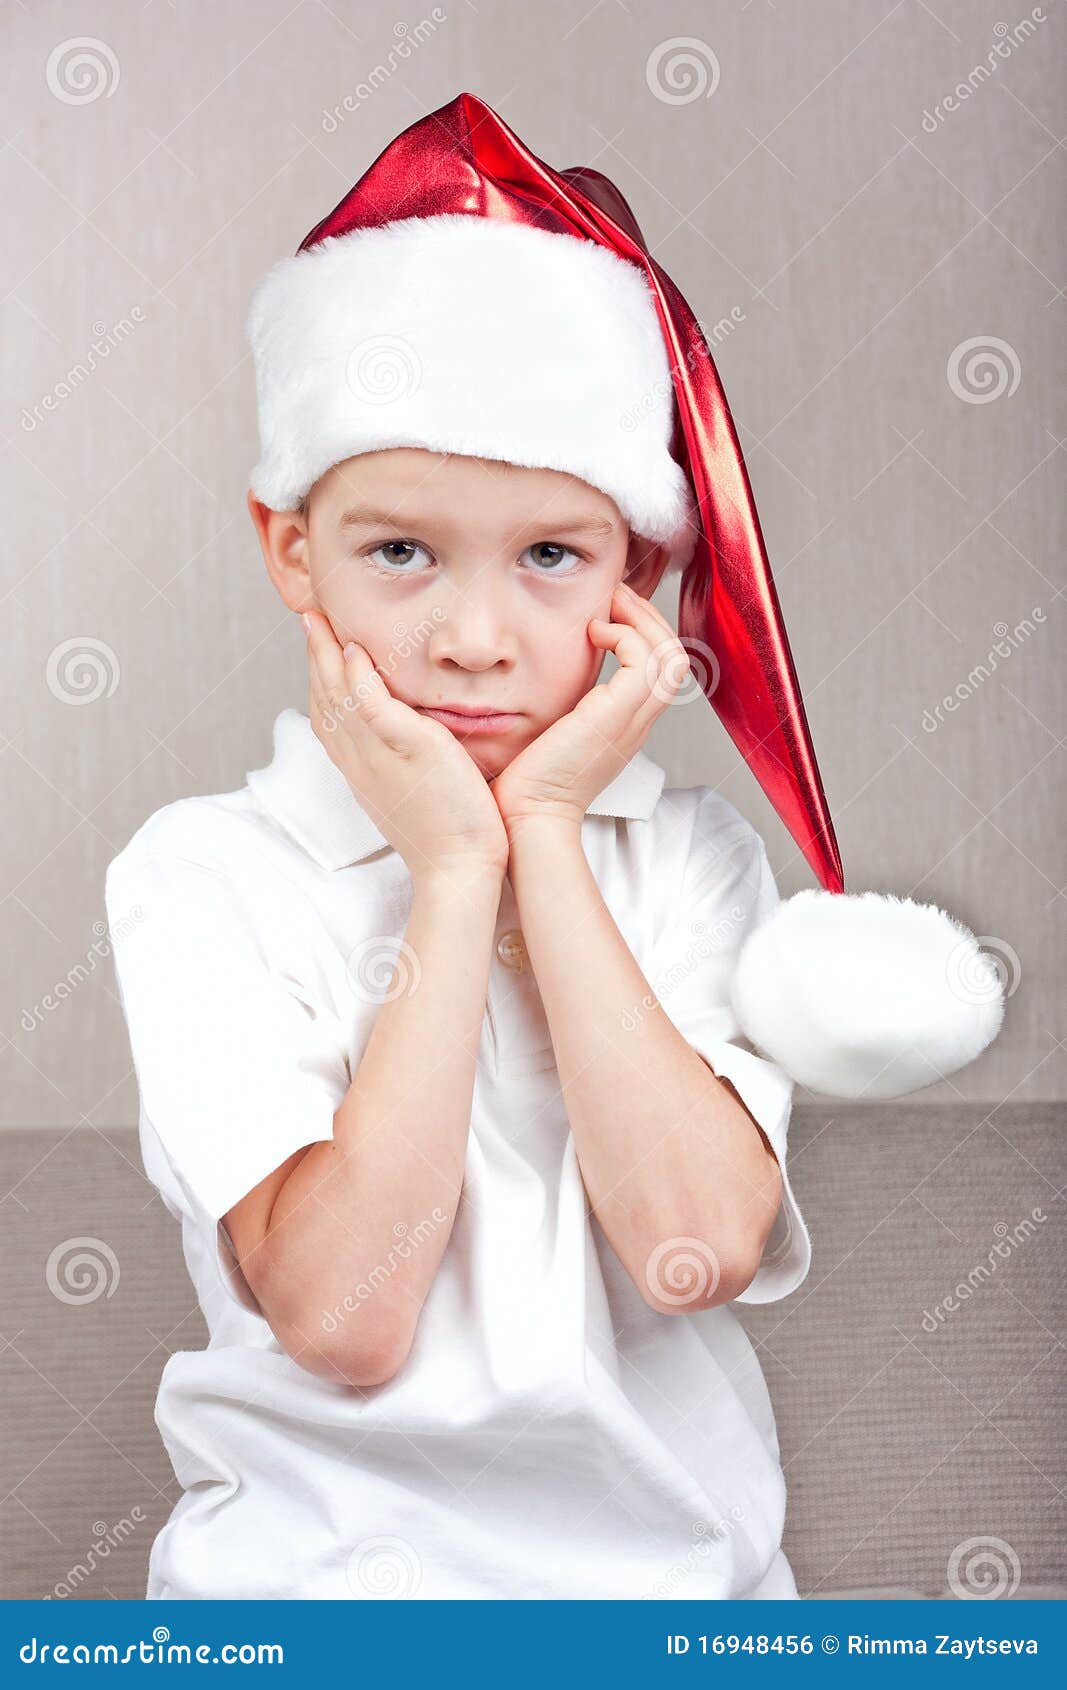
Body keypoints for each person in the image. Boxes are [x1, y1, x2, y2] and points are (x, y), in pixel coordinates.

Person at [104, 92, 1003, 1601]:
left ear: (639, 572)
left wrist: (542, 837)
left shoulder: (693, 859)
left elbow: (693, 1249)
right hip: (310, 1598)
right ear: (290, 549)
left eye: (550, 559)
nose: (473, 639)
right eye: (400, 550)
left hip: (677, 1599)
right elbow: (344, 1316)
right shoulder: (202, 874)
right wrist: (453, 881)